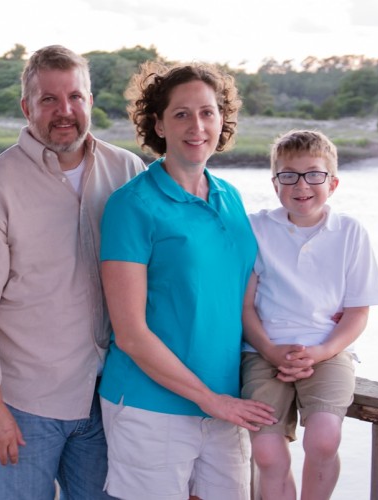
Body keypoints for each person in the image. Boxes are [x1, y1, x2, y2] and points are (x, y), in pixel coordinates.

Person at [0, 45, 145, 499]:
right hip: (23, 404)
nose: (64, 111)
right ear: (26, 107)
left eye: (75, 97)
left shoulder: (127, 171)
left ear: (90, 102)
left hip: (108, 397)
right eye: (49, 99)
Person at [97, 61, 277, 500]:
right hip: (149, 409)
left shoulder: (230, 198)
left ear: (221, 120)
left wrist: (303, 342)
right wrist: (208, 399)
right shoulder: (131, 205)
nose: (197, 125)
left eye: (207, 112)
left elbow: (240, 297)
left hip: (226, 405)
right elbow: (131, 334)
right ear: (157, 124)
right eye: (181, 114)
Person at [241, 129, 378, 499]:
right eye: (288, 175)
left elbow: (357, 312)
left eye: (314, 174)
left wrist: (321, 352)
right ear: (275, 184)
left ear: (332, 183)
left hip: (328, 351)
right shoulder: (256, 228)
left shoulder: (350, 232)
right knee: (267, 452)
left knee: (323, 439)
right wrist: (272, 351)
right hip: (263, 351)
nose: (301, 184)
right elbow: (244, 307)